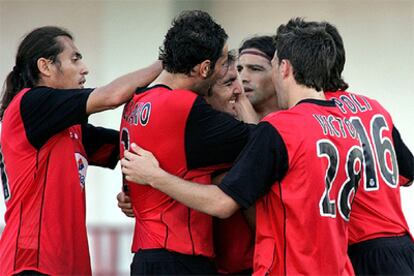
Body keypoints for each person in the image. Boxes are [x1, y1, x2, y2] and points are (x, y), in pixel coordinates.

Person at [121, 20, 364, 275]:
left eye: (264, 67)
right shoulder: (347, 127)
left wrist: (154, 177)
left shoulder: (281, 129)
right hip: (336, 266)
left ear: (284, 69)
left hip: (288, 266)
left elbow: (223, 203)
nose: (242, 83)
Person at [0, 26, 161, 275]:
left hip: (68, 266)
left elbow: (128, 144)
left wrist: (135, 195)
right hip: (31, 263)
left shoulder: (70, 128)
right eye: (74, 59)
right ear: (45, 66)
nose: (84, 68)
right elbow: (111, 96)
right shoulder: (30, 104)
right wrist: (168, 61)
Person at [119, 10, 256, 275]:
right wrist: (239, 97)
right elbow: (258, 145)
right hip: (180, 258)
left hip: (146, 257)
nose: (225, 70)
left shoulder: (135, 101)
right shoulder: (183, 106)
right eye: (223, 61)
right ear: (204, 68)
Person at [291, 19, 414, 274]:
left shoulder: (316, 116)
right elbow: (408, 172)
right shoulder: (374, 107)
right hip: (402, 246)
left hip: (362, 250)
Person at [238, 35, 278, 118]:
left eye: (255, 69)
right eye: (239, 69)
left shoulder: (298, 122)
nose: (242, 78)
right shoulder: (225, 123)